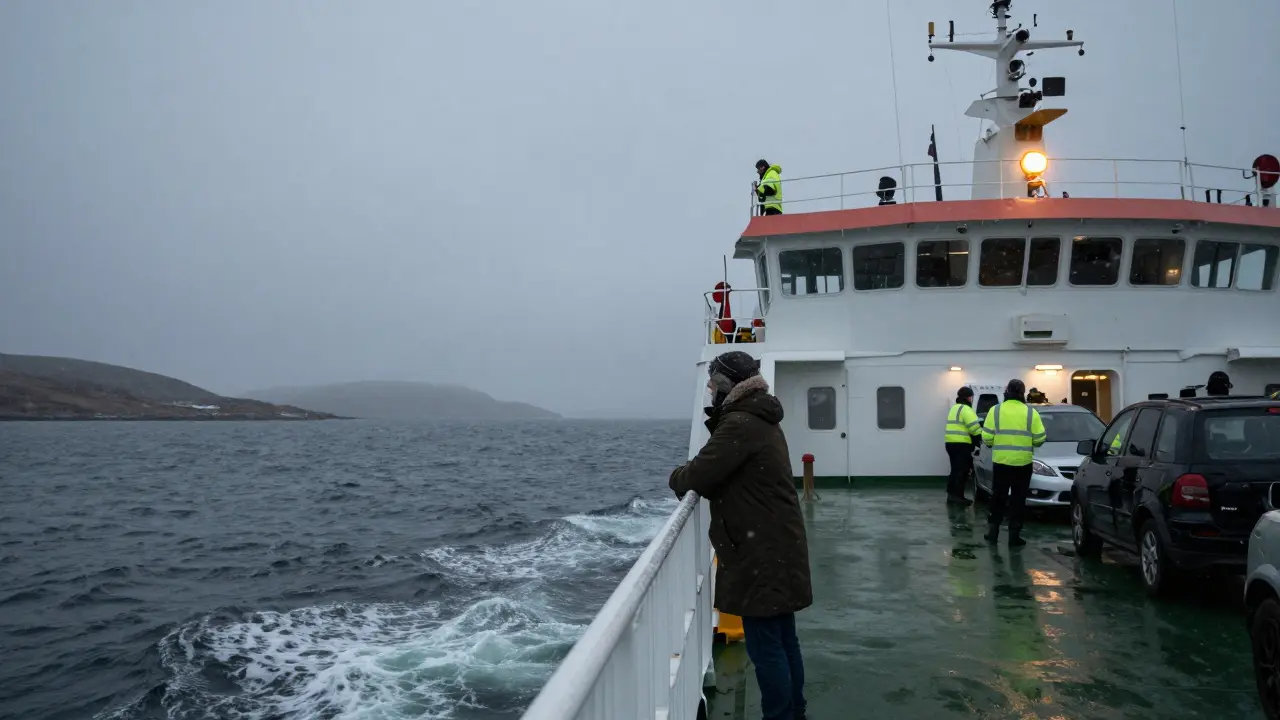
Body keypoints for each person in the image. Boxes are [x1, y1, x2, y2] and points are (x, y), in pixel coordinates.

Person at [670, 351, 811, 720]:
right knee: (782, 637)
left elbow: (697, 475)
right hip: (776, 541)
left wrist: (676, 476)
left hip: (760, 549)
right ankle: (793, 711)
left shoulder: (740, 424)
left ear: (728, 387)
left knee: (767, 644)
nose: (710, 392)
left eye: (714, 385)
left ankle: (782, 715)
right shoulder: (759, 418)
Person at [980, 379, 1046, 546]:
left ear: (1007, 391)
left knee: (998, 497)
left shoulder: (995, 411)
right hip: (1023, 464)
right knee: (1018, 499)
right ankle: (1014, 536)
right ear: (1022, 393)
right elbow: (1040, 439)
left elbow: (986, 438)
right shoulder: (1031, 413)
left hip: (1001, 463)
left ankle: (993, 533)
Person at [943, 386, 982, 506]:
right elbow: (975, 429)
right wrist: (982, 438)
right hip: (961, 444)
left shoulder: (954, 408)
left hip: (950, 443)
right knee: (962, 470)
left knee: (955, 470)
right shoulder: (966, 409)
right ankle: (958, 497)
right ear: (969, 397)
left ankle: (951, 495)